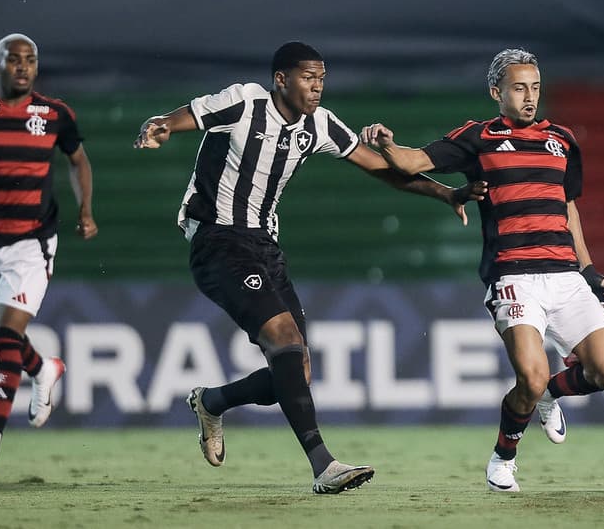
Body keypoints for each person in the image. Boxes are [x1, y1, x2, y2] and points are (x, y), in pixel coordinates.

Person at [134, 41, 485, 494]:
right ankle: (323, 465)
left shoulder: (318, 124)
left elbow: (378, 166)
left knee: (294, 373)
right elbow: (184, 117)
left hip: (265, 245)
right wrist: (159, 126)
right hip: (217, 240)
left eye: (321, 78)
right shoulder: (245, 102)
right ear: (281, 79)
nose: (317, 86)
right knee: (283, 339)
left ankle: (212, 402)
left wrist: (445, 193)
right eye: (307, 77)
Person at [361, 47, 604, 492]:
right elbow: (411, 163)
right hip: (514, 275)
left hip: (564, 274)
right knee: (531, 374)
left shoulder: (561, 140)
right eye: (519, 88)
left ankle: (551, 396)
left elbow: (568, 207)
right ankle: (504, 457)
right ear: (495, 91)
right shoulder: (478, 137)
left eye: (535, 88)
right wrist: (387, 144)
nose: (529, 97)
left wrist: (590, 269)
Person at [0, 33, 98, 475]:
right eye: (14, 60)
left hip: (31, 242)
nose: (22, 67)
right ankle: (43, 369)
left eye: (30, 60)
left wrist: (85, 209)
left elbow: (78, 161)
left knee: (4, 341)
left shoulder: (55, 114)